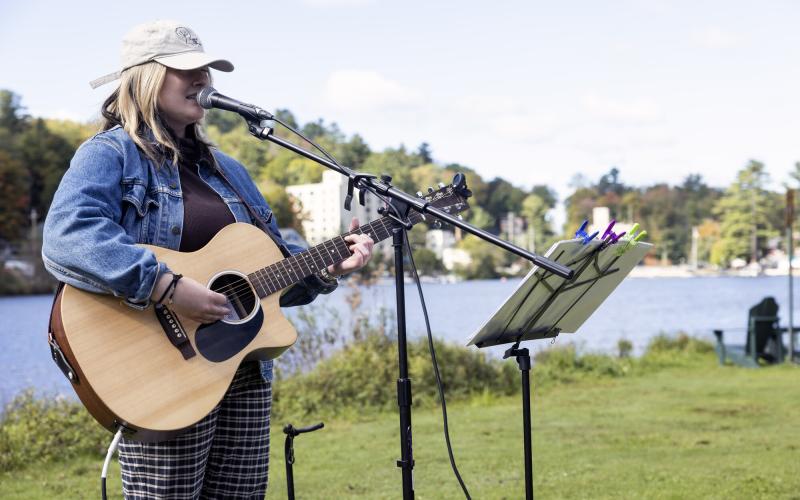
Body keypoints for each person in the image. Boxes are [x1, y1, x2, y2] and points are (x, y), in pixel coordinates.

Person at [42, 20, 374, 499]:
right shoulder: (110, 154)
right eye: (187, 70)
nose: (202, 80)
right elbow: (67, 235)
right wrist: (168, 287)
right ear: (144, 78)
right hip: (162, 370)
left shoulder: (230, 171)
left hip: (242, 370)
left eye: (206, 70)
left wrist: (328, 267)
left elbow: (270, 272)